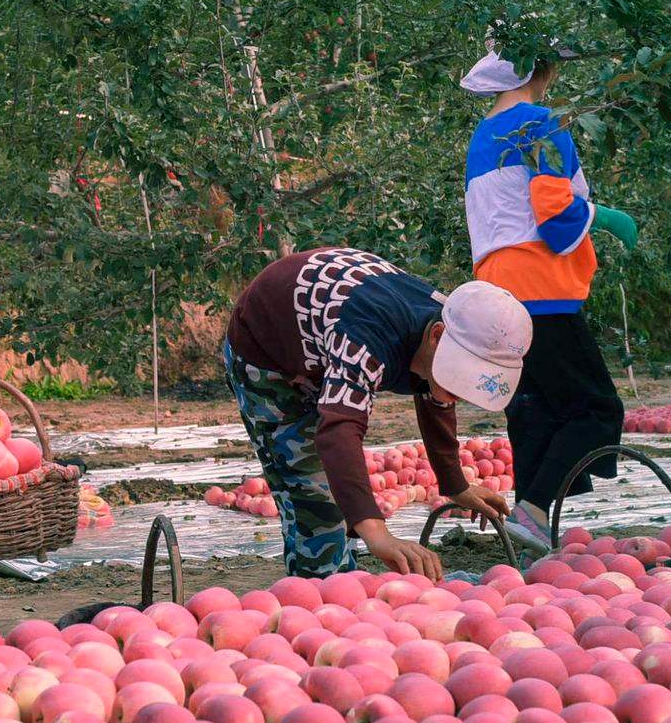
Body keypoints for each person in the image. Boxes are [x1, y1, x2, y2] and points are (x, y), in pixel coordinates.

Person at [224, 247, 531, 580]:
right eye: (457, 374)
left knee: (340, 495)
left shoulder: (452, 326)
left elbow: (436, 395)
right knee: (313, 495)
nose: (459, 390)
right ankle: (321, 597)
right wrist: (376, 532)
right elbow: (339, 429)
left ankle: (342, 583)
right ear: (437, 335)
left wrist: (454, 484)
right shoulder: (367, 335)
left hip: (323, 339)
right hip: (268, 354)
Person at [461, 44, 638, 554]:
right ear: (546, 68)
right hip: (542, 290)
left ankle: (528, 520)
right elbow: (557, 224)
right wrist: (603, 216)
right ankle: (536, 511)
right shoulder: (540, 122)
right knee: (595, 409)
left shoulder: (483, 134)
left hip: (497, 291)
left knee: (535, 408)